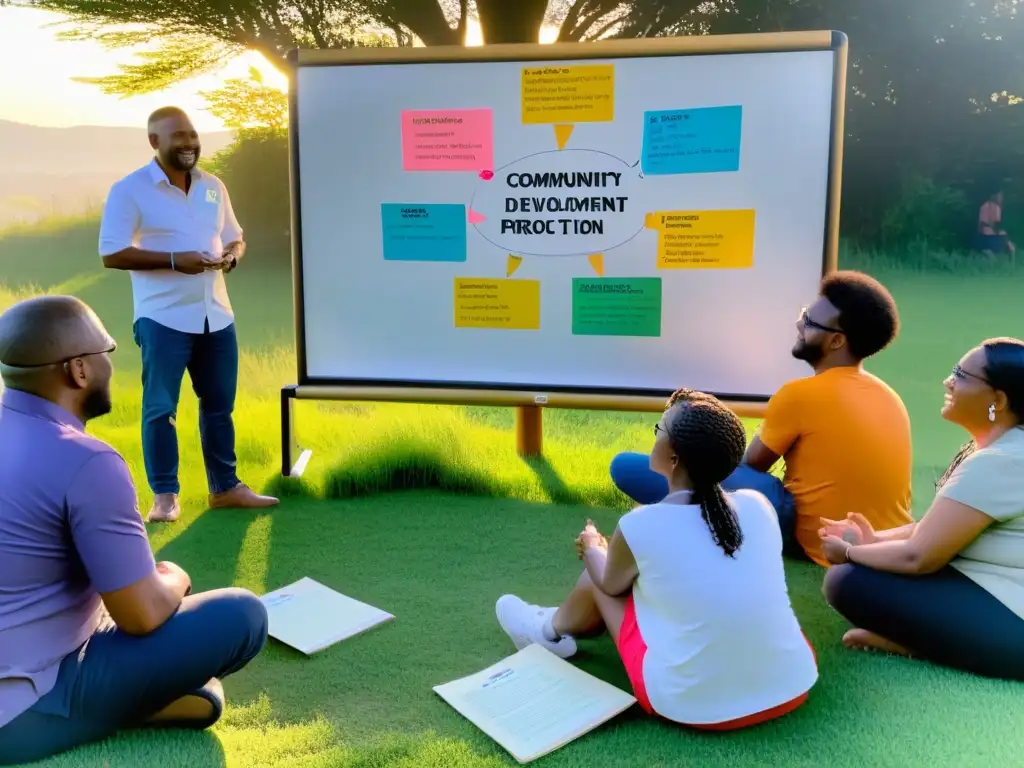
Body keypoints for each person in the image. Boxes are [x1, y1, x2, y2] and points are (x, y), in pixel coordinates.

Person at [0, 295, 269, 765]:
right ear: (78, 371)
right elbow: (141, 614)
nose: (112, 365)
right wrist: (174, 577)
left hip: (31, 643)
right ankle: (126, 703)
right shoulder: (88, 461)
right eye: (107, 352)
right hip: (19, 710)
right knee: (242, 616)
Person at [494, 389, 818, 730]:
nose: (655, 437)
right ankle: (556, 629)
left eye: (658, 430)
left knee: (598, 579)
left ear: (673, 457)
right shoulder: (758, 505)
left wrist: (592, 546)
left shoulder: (641, 524)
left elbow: (608, 584)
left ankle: (546, 631)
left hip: (691, 705)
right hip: (791, 686)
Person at [609, 270, 913, 566]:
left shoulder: (801, 394)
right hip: (882, 539)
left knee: (626, 467)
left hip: (811, 538)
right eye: (804, 312)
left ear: (836, 342)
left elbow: (743, 466)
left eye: (808, 320)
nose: (798, 323)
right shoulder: (890, 396)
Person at [98, 105, 278, 523]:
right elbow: (112, 253)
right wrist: (177, 260)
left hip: (216, 315)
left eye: (192, 136)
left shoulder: (213, 186)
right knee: (160, 408)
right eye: (178, 136)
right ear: (154, 142)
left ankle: (225, 488)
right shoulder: (130, 190)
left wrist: (232, 256)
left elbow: (236, 237)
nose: (188, 144)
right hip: (163, 318)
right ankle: (165, 497)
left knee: (219, 405)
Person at [821, 338, 1024, 680]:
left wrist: (851, 553)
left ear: (998, 400)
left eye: (960, 374)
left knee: (847, 581)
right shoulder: (1007, 450)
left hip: (1016, 627)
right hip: (1001, 594)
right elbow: (937, 528)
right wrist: (876, 542)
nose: (948, 381)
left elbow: (919, 557)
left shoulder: (998, 462)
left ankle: (920, 646)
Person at [976, 190, 1016, 258]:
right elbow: (996, 223)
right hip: (992, 232)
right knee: (1005, 236)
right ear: (995, 197)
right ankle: (1010, 252)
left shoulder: (983, 206)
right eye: (1000, 197)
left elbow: (981, 222)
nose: (1001, 199)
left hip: (984, 232)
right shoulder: (996, 207)